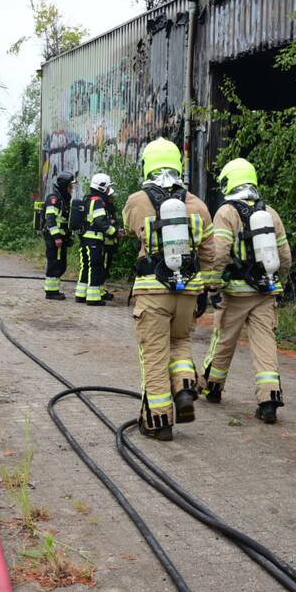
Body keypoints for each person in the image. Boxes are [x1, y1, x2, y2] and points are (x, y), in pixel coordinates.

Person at [122, 138, 219, 440]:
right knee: (179, 343)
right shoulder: (198, 205)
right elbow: (210, 254)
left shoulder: (138, 200)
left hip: (153, 292)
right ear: (178, 164)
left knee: (153, 355)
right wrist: (208, 289)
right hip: (188, 293)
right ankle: (185, 385)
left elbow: (127, 229)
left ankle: (158, 422)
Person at [201, 158, 292, 424]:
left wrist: (213, 285)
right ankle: (269, 399)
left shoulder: (227, 212)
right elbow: (285, 256)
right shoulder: (270, 213)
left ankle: (213, 387)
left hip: (236, 293)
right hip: (266, 292)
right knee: (265, 344)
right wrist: (278, 282)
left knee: (224, 340)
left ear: (229, 181)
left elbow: (219, 253)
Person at [76, 173, 120, 306]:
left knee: (85, 266)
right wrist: (114, 232)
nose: (108, 191)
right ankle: (93, 298)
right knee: (95, 267)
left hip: (85, 239)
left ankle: (81, 294)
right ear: (102, 188)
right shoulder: (98, 201)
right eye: (107, 187)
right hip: (94, 240)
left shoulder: (88, 199)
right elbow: (100, 221)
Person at [43, 171, 75, 300]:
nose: (71, 189)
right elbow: (50, 219)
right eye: (70, 186)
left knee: (61, 264)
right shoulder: (54, 199)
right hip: (54, 239)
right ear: (64, 186)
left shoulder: (63, 199)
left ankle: (54, 289)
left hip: (60, 238)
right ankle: (51, 292)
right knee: (54, 264)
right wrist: (56, 237)